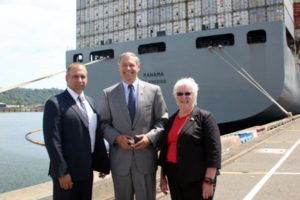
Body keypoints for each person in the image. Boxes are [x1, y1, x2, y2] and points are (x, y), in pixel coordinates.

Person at [100, 52, 168, 200]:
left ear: (138, 67)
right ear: (119, 68)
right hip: (120, 161)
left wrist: (150, 138)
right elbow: (104, 123)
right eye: (124, 65)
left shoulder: (154, 90)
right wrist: (117, 138)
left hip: (145, 160)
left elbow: (162, 120)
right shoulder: (108, 93)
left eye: (131, 65)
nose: (128, 68)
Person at [43, 62, 110, 200]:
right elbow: (53, 142)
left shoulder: (90, 102)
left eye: (83, 77)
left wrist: (102, 164)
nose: (80, 80)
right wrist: (62, 172)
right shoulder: (55, 103)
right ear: (67, 78)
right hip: (68, 173)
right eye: (75, 77)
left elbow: (95, 135)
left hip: (87, 170)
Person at [159, 77, 221, 200]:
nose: (183, 97)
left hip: (197, 179)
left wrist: (209, 181)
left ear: (194, 95)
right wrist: (162, 176)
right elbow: (165, 149)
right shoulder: (171, 120)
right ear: (175, 96)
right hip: (174, 177)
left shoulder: (205, 118)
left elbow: (214, 151)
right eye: (180, 94)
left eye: (188, 93)